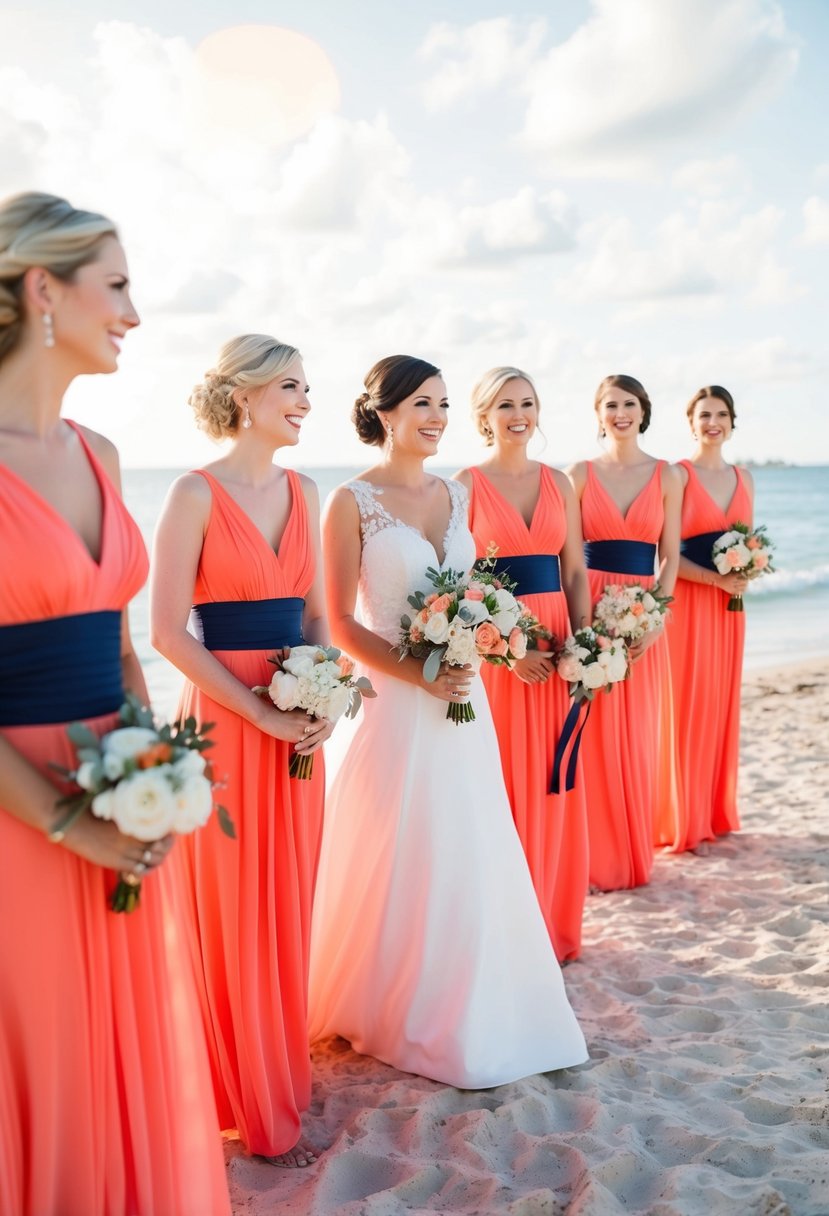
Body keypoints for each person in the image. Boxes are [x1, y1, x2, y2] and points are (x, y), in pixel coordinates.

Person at [0, 191, 229, 1215]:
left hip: (120, 797)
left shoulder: (101, 454)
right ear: (42, 289)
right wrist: (64, 820)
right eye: (120, 286)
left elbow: (124, 644)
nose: (135, 313)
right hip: (22, 816)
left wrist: (157, 772)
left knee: (119, 1050)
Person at [308, 354, 587, 1087]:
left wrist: (487, 641)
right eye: (421, 404)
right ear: (385, 413)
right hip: (400, 700)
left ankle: (474, 997)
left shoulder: (456, 495)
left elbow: (473, 597)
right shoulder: (350, 501)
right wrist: (421, 672)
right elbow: (338, 620)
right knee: (399, 841)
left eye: (441, 406)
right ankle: (387, 997)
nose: (435, 418)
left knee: (470, 837)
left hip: (465, 699)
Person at [150, 334, 330, 1167]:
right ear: (246, 395)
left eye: (305, 386)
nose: (303, 400)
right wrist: (256, 714)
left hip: (301, 726)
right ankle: (232, 1088)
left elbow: (319, 619)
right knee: (227, 905)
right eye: (290, 385)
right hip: (227, 723)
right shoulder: (192, 493)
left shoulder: (307, 490)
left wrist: (328, 700)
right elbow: (165, 634)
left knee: (287, 899)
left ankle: (277, 1072)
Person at [455, 367, 591, 962]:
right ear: (484, 414)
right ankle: (510, 933)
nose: (519, 414)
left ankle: (554, 924)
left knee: (556, 781)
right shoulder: (463, 486)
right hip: (502, 658)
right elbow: (458, 586)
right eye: (506, 404)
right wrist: (508, 655)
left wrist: (585, 648)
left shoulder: (559, 482)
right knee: (505, 785)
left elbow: (577, 572)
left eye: (528, 403)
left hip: (560, 647)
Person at [567, 374, 681, 892]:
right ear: (597, 413)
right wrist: (582, 626)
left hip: (642, 620)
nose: (620, 413)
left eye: (629, 403)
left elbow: (671, 556)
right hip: (590, 612)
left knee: (634, 736)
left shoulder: (667, 476)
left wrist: (655, 619)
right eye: (610, 405)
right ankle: (588, 859)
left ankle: (631, 854)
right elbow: (567, 557)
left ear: (643, 409)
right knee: (590, 734)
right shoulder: (579, 475)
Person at [658, 385, 753, 851]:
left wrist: (746, 570)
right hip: (691, 604)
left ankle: (716, 810)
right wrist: (716, 581)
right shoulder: (678, 475)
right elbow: (666, 552)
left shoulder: (745, 478)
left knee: (720, 705)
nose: (712, 422)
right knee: (686, 705)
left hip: (730, 609)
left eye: (720, 414)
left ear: (732, 421)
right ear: (691, 422)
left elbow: (748, 544)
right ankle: (684, 817)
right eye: (703, 415)